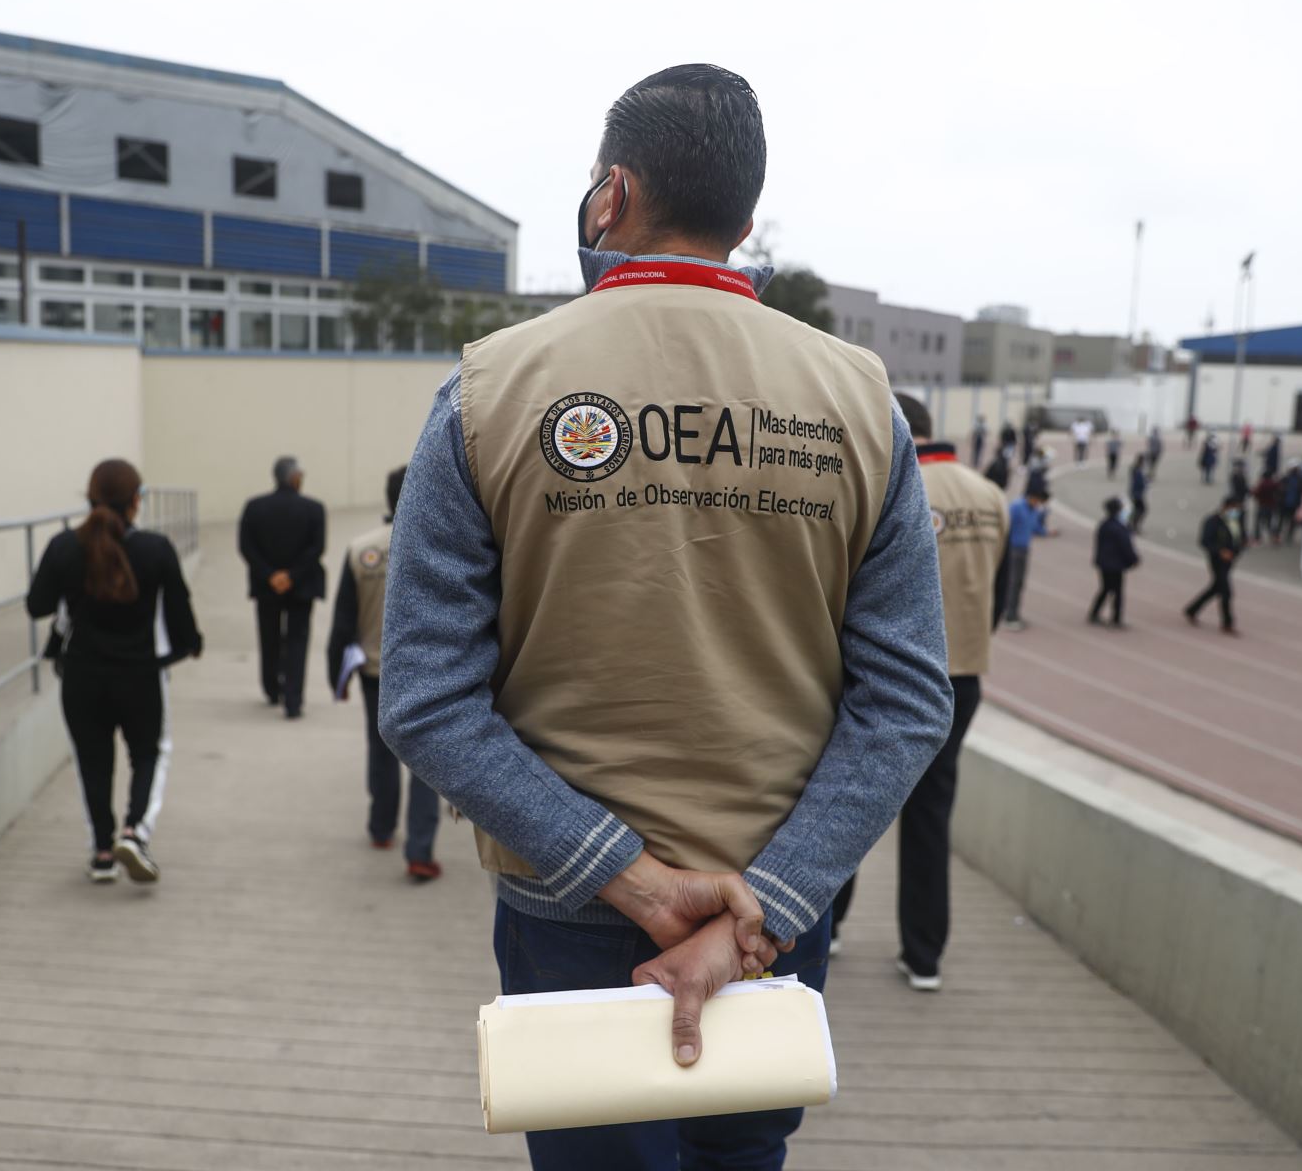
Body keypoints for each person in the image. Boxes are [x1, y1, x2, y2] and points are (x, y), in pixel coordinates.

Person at [376, 64, 954, 1171]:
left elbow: (426, 698)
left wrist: (631, 881)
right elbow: (908, 699)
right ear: (745, 219)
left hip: (572, 907)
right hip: (774, 915)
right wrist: (764, 908)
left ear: (611, 196)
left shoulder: (489, 392)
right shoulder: (858, 403)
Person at [830, 394, 1007, 989]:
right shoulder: (989, 497)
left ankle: (827, 925)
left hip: (881, 674)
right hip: (964, 675)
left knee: (845, 801)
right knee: (932, 817)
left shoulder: (893, 482)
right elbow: (1003, 595)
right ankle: (924, 954)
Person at [28, 459, 202, 884]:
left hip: (81, 678)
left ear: (89, 500)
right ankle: (134, 833)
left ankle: (103, 853)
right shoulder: (156, 549)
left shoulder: (64, 547)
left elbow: (38, 606)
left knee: (93, 762)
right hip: (141, 675)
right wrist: (184, 649)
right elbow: (181, 621)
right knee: (148, 754)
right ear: (136, 502)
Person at [327, 466, 441, 882]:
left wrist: (333, 673)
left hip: (375, 671)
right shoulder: (438, 545)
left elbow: (344, 620)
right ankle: (420, 851)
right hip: (429, 674)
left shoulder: (362, 549)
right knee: (427, 764)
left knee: (380, 751)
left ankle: (380, 827)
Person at [238, 456, 326, 719]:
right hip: (302, 585)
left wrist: (270, 576)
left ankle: (270, 687)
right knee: (298, 640)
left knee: (269, 636)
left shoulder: (254, 507)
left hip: (266, 587)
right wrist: (292, 576)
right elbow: (317, 548)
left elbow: (246, 547)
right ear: (295, 478)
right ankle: (293, 699)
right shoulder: (314, 509)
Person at [1185, 496, 1245, 635]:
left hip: (1230, 560)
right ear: (1226, 507)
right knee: (1226, 591)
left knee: (1215, 588)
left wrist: (1237, 550)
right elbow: (1205, 541)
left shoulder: (1236, 521)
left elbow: (1239, 538)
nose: (1236, 511)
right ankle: (1227, 622)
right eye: (1234, 508)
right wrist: (1220, 551)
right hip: (1217, 561)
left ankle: (1192, 609)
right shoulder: (1213, 521)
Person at [1002, 487, 1057, 630]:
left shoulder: (1034, 510)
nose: (1039, 504)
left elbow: (1035, 528)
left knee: (1019, 583)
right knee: (1012, 582)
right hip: (1013, 549)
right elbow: (1005, 524)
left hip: (1024, 550)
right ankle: (1008, 615)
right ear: (1033, 497)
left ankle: (1013, 612)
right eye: (1038, 501)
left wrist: (1048, 532)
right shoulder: (1016, 507)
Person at [1089, 497, 1139, 627]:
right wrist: (1134, 559)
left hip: (1104, 563)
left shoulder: (1104, 524)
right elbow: (1126, 546)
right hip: (1115, 565)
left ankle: (1094, 613)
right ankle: (1116, 618)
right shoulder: (1120, 527)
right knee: (1117, 592)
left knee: (1105, 589)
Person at [1252, 469, 1281, 546]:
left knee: (1258, 522)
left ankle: (1257, 538)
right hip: (1271, 506)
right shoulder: (1274, 484)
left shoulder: (1262, 484)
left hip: (1262, 505)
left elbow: (1256, 493)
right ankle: (1274, 537)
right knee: (1270, 522)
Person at [1128, 453, 1150, 535]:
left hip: (1135, 493)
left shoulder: (1136, 468)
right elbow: (1140, 482)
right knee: (1141, 509)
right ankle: (1134, 526)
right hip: (1137, 494)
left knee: (1137, 509)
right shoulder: (1138, 470)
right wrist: (1146, 482)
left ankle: (1132, 525)